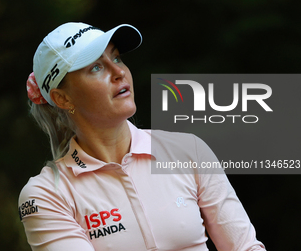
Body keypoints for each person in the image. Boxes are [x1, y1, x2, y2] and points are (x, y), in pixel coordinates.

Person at [19, 22, 266, 251]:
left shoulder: (188, 150)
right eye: (96, 66)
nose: (119, 72)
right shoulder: (46, 194)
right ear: (63, 98)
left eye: (116, 58)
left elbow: (245, 247)